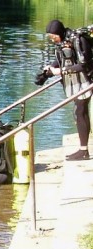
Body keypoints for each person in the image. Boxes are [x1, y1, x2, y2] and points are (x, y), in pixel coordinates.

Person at [43, 20, 93, 161]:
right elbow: (61, 59)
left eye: (53, 36)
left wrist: (61, 71)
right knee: (79, 112)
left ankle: (84, 151)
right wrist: (48, 71)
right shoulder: (63, 42)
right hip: (80, 82)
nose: (52, 39)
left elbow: (84, 65)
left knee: (80, 112)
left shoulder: (78, 40)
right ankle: (83, 150)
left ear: (59, 32)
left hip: (88, 79)